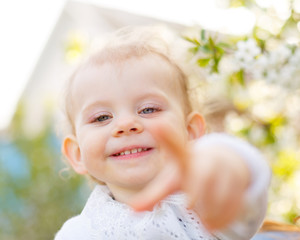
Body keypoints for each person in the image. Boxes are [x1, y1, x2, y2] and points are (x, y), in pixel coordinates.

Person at [55, 26, 270, 240]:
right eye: (102, 117)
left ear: (190, 132)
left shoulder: (201, 199)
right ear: (77, 153)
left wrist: (230, 164)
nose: (126, 124)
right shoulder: (77, 233)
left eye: (148, 109)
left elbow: (244, 208)